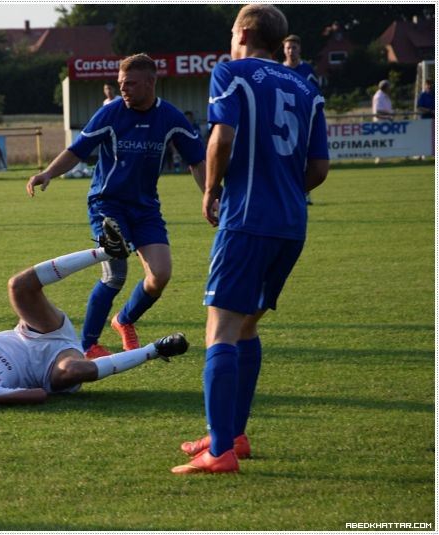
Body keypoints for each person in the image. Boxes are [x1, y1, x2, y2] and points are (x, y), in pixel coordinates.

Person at [171, 4, 329, 475]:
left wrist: (212, 189)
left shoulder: (231, 73)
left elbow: (221, 137)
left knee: (220, 328)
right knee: (247, 327)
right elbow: (319, 168)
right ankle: (233, 436)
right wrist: (284, 193)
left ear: (241, 31)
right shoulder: (306, 86)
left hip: (245, 219)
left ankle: (218, 452)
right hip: (291, 225)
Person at [26, 53, 206, 360]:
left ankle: (124, 320)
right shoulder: (110, 113)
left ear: (151, 82)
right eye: (121, 84)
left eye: (131, 84)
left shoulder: (170, 117)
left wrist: (210, 195)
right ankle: (89, 345)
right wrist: (48, 173)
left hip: (146, 207)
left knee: (160, 276)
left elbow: (197, 161)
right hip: (106, 204)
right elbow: (78, 150)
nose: (124, 89)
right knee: (114, 274)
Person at [0, 218, 189, 411]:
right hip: (51, 366)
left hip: (37, 331)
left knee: (18, 286)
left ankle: (107, 251)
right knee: (76, 370)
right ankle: (156, 350)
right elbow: (40, 394)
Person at [282, 34, 318, 204]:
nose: (291, 51)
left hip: (302, 120)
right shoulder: (278, 70)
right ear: (283, 50)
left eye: (294, 47)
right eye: (288, 47)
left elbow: (316, 96)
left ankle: (304, 192)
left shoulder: (308, 71)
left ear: (299, 49)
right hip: (282, 123)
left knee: (303, 157)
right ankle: (284, 193)